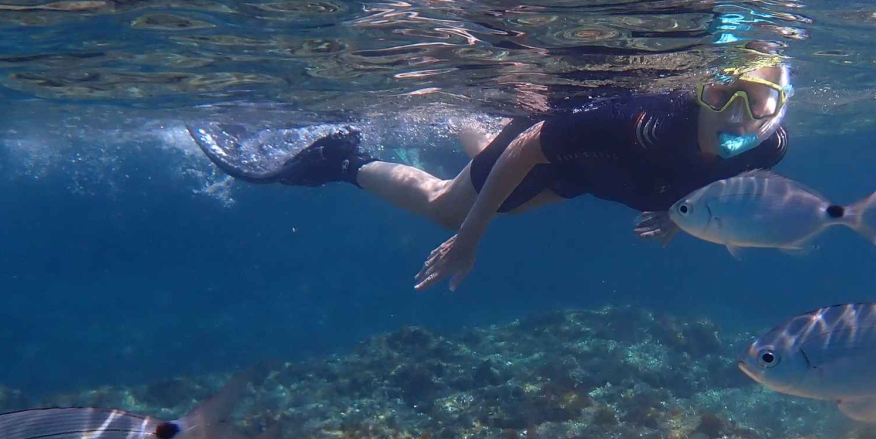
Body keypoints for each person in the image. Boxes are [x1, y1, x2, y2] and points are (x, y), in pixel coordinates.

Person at [189, 42, 793, 290]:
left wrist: (671, 212)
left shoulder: (769, 148)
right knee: (444, 208)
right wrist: (467, 240)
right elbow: (531, 143)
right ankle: (342, 157)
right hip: (561, 153)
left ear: (778, 112)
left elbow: (711, 177)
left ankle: (468, 123)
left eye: (758, 102)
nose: (739, 116)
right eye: (723, 96)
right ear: (696, 93)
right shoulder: (635, 123)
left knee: (491, 167)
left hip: (586, 177)